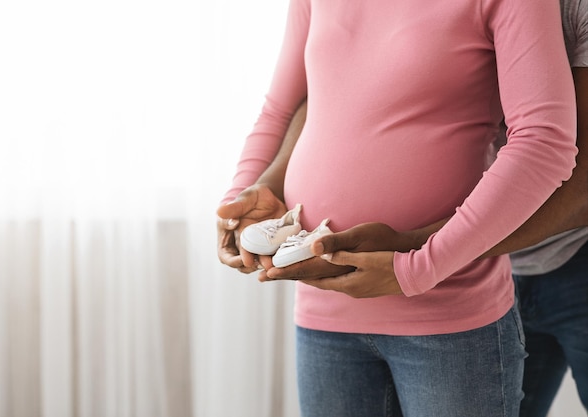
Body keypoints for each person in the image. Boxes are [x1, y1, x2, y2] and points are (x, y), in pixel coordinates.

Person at [216, 1, 578, 416]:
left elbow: (544, 143)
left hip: (449, 321)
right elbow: (282, 108)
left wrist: (418, 267)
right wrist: (243, 195)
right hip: (324, 315)